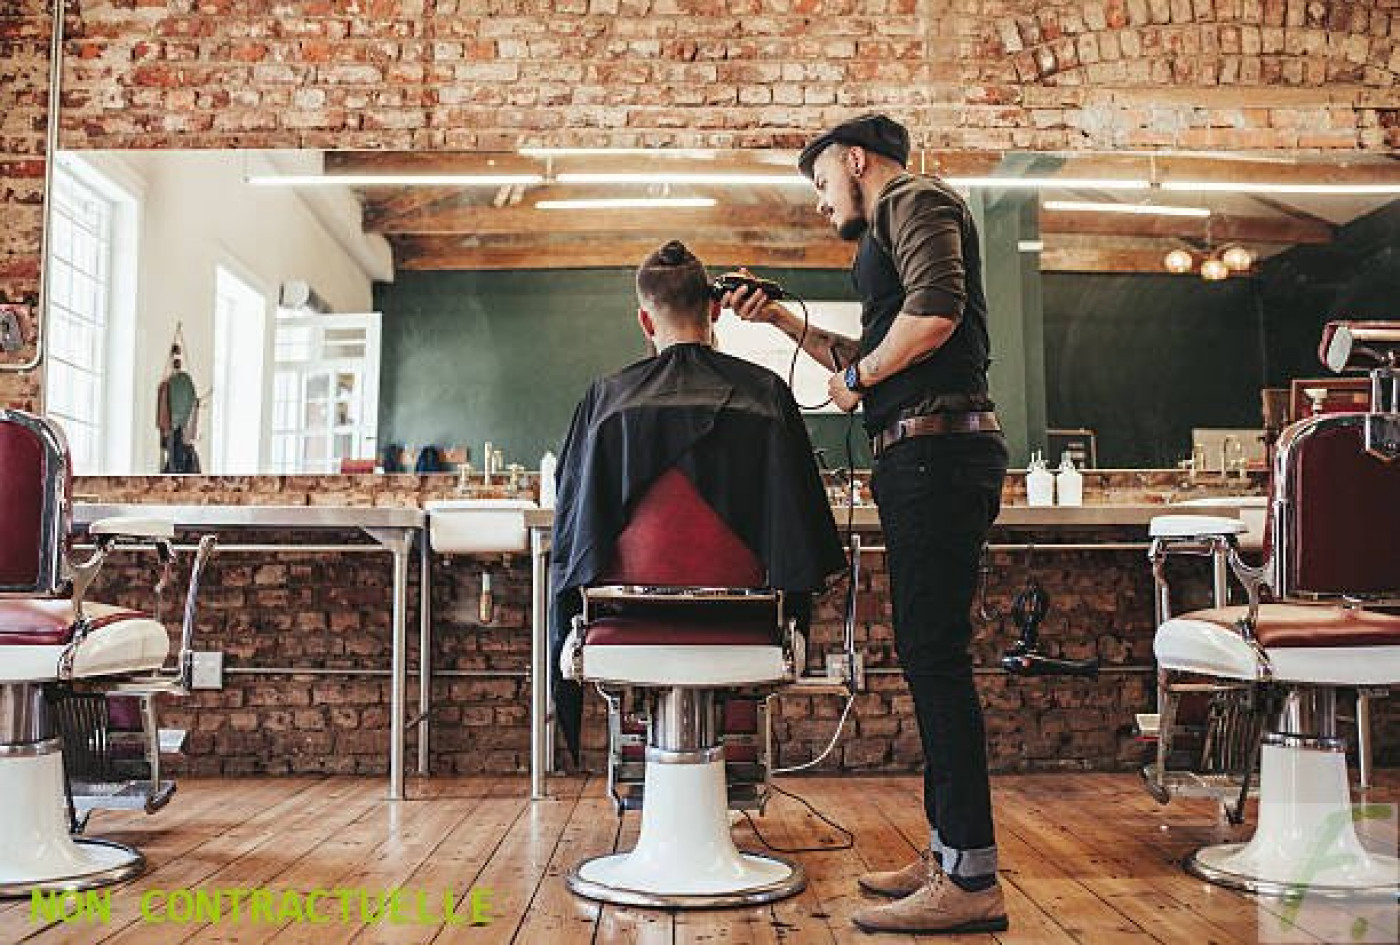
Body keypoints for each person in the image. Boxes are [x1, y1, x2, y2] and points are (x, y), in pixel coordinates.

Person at [726, 113, 1009, 935]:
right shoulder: (892, 227)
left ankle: (971, 877)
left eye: (821, 184)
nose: (820, 203)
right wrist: (785, 323)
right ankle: (948, 851)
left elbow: (935, 319)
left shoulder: (913, 200)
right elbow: (878, 351)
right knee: (928, 658)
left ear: (856, 161)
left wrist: (858, 373)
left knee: (937, 660)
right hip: (921, 454)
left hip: (940, 456)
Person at [549, 239, 846, 762]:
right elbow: (800, 529)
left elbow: (576, 526)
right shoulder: (767, 393)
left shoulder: (605, 400)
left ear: (645, 321)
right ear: (715, 309)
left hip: (627, 616)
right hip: (748, 617)